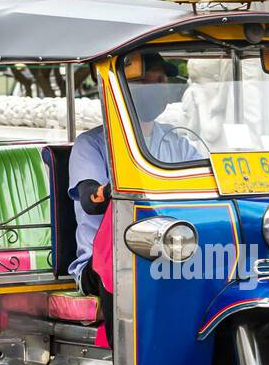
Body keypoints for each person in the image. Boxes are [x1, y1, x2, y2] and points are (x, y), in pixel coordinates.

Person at [67, 52, 202, 334]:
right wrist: (107, 191)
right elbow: (91, 199)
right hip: (105, 260)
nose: (158, 88)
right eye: (148, 81)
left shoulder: (176, 141)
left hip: (173, 248)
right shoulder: (90, 144)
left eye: (162, 81)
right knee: (131, 269)